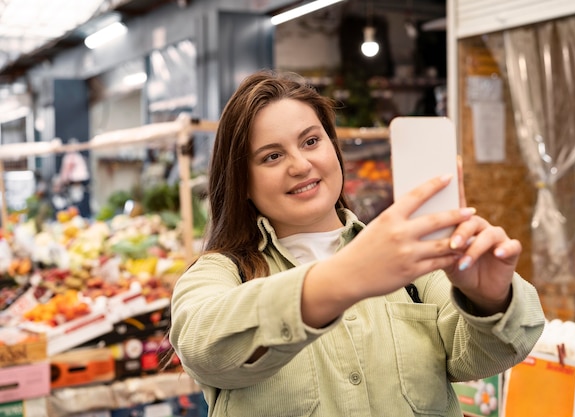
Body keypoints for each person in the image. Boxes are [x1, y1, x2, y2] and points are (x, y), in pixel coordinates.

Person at [168, 70, 545, 417]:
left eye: (311, 141)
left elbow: (484, 358)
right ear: (243, 182)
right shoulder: (220, 274)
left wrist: (490, 300)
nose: (300, 165)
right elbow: (204, 347)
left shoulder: (413, 262)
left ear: (334, 148)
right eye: (272, 156)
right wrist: (347, 277)